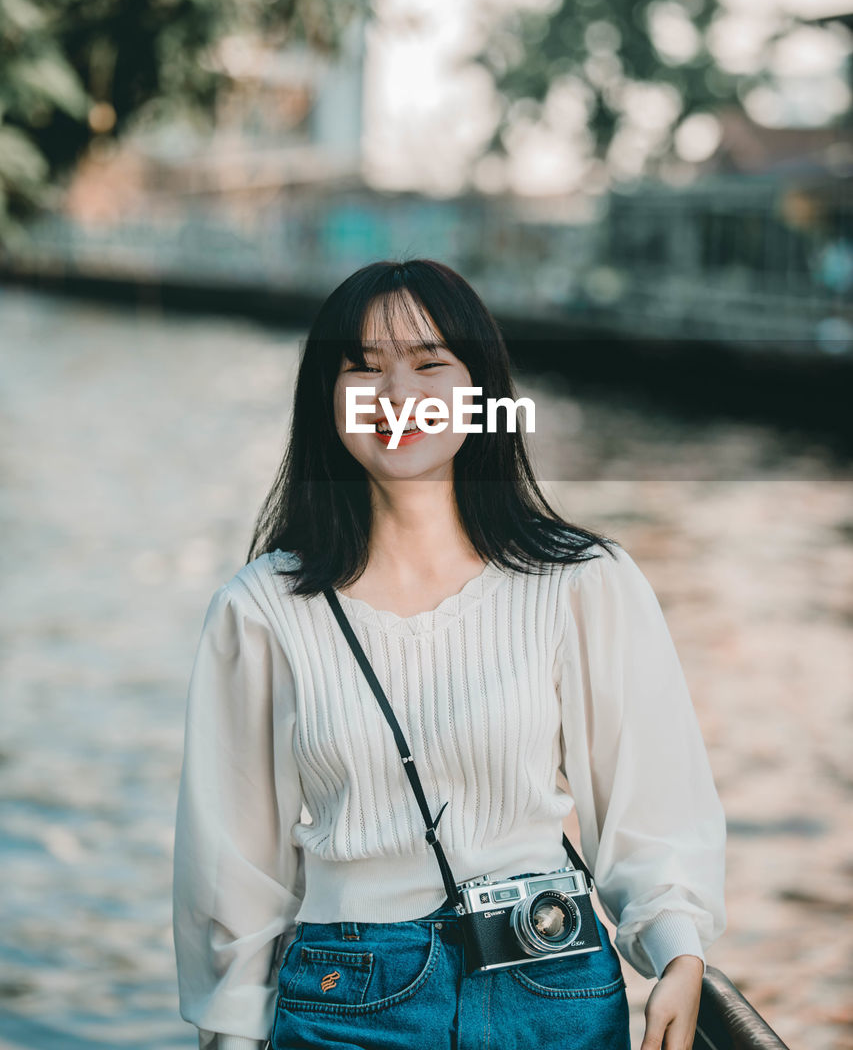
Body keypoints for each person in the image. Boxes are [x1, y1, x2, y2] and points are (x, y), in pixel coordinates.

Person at [172, 258, 726, 1050]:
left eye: (430, 364)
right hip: (348, 996)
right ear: (326, 402)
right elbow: (231, 859)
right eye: (363, 369)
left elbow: (651, 801)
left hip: (549, 981)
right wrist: (231, 1031)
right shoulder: (260, 608)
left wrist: (677, 951)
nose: (397, 396)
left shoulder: (579, 581)